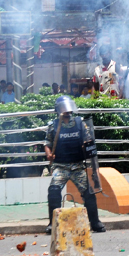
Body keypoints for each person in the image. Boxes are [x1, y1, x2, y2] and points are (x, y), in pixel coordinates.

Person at [44, 96, 106, 234]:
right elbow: (47, 144)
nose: (67, 110)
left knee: (88, 192)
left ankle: (95, 222)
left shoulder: (80, 123)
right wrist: (49, 154)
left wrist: (86, 145)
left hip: (77, 165)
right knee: (53, 190)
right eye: (63, 108)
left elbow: (88, 140)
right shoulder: (53, 125)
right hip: (61, 166)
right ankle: (52, 223)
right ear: (58, 109)